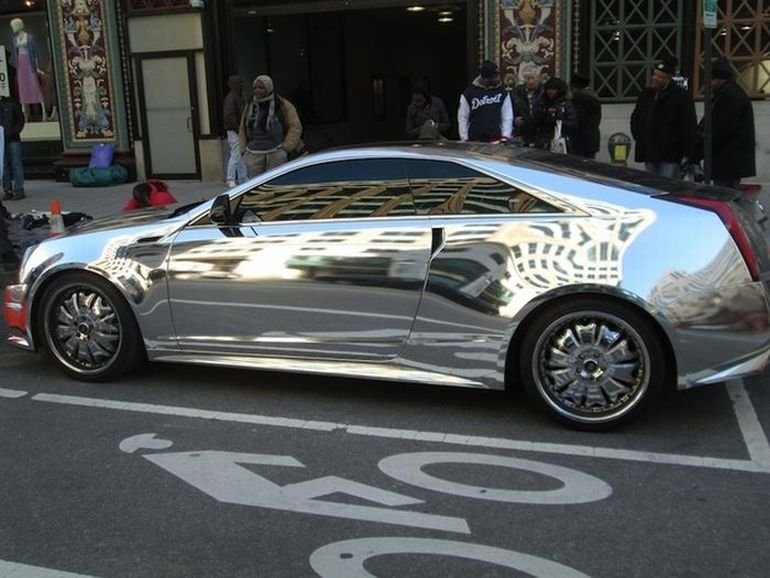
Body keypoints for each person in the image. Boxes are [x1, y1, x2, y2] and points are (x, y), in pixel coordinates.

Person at [692, 58, 755, 189]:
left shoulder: (729, 97)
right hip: (728, 160)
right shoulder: (727, 94)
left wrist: (698, 153)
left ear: (721, 79)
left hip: (728, 161)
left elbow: (721, 131)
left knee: (723, 194)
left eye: (712, 79)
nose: (710, 83)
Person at [630, 57, 696, 178]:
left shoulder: (680, 96)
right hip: (649, 152)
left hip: (670, 154)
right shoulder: (646, 94)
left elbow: (688, 125)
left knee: (667, 184)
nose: (655, 79)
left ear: (668, 79)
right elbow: (636, 117)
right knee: (651, 183)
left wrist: (687, 152)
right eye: (655, 75)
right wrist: (639, 136)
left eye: (660, 77)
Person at [238, 75, 303, 178]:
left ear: (268, 88)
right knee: (255, 183)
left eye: (261, 88)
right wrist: (243, 150)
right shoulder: (250, 105)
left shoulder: (282, 104)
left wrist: (286, 147)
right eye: (255, 88)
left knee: (276, 181)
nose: (257, 90)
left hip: (276, 153)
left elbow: (295, 126)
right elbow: (242, 128)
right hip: (253, 154)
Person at [458, 60, 513, 142]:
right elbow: (463, 117)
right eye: (495, 76)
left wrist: (505, 136)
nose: (498, 78)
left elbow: (507, 116)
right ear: (487, 78)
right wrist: (464, 138)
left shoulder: (502, 93)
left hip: (496, 140)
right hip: (474, 140)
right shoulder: (469, 93)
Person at [10, 18, 45, 121]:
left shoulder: (29, 38)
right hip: (21, 64)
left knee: (35, 86)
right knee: (23, 88)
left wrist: (37, 67)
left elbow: (34, 53)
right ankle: (24, 113)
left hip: (29, 63)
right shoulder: (15, 39)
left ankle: (43, 111)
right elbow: (16, 54)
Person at [532, 77, 577, 151]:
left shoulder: (566, 105)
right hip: (543, 141)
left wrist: (556, 120)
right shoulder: (542, 103)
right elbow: (535, 121)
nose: (550, 92)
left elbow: (572, 124)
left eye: (553, 89)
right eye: (548, 89)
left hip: (560, 141)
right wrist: (544, 113)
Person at [568, 72, 602, 158]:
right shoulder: (594, 97)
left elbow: (579, 119)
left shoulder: (578, 99)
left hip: (579, 140)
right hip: (592, 139)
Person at [223, 75, 247, 188]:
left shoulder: (235, 97)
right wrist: (238, 129)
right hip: (234, 131)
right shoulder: (232, 98)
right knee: (236, 154)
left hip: (236, 130)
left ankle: (243, 177)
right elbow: (229, 117)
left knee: (240, 154)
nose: (242, 85)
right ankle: (230, 179)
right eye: (240, 83)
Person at [0, 94, 26, 200]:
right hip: (1, 140)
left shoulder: (11, 103)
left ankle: (19, 190)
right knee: (3, 166)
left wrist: (15, 131)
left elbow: (20, 119)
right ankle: (8, 190)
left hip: (13, 138)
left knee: (16, 164)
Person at [512, 62, 543, 145]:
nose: (530, 81)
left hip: (539, 130)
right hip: (521, 130)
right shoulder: (517, 92)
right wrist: (515, 119)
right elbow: (511, 109)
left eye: (533, 78)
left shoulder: (543, 91)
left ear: (538, 78)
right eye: (528, 78)